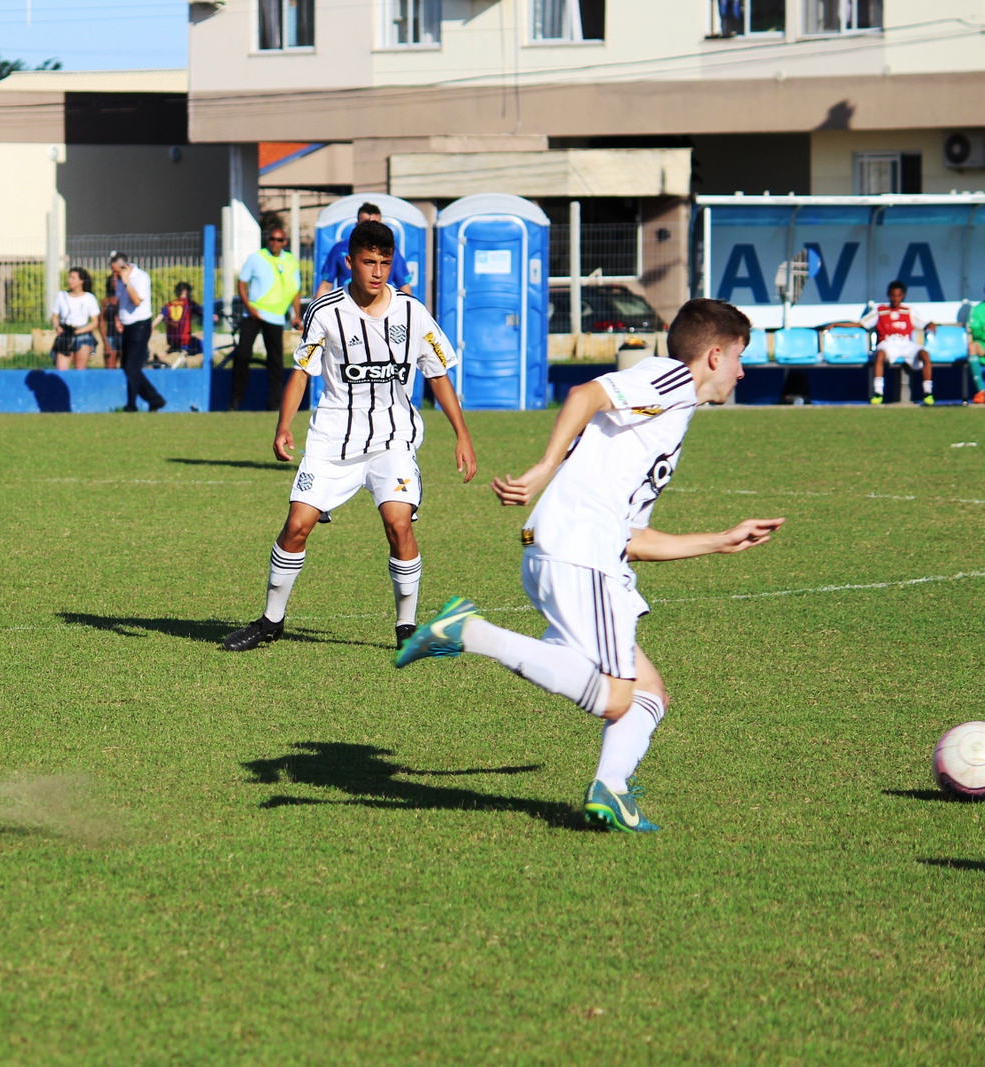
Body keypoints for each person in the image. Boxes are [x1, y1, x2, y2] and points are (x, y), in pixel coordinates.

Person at [396, 297, 785, 834]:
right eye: (740, 357)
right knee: (616, 697)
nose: (743, 372)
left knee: (647, 693)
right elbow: (586, 393)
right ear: (715, 356)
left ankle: (611, 790)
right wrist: (541, 469)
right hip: (580, 549)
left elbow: (633, 537)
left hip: (584, 549)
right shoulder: (670, 381)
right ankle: (469, 632)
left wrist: (719, 541)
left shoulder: (667, 418)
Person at [222, 220, 476, 653]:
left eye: (385, 263)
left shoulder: (413, 313)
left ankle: (406, 628)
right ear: (350, 263)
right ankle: (271, 620)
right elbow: (302, 373)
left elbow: (438, 376)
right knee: (297, 527)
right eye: (368, 262)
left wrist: (462, 435)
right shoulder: (326, 311)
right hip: (332, 439)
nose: (378, 272)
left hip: (392, 439)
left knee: (398, 524)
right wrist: (284, 426)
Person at [822, 280, 932, 406]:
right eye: (893, 295)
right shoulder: (880, 311)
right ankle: (878, 393)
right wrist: (836, 324)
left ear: (903, 296)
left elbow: (924, 323)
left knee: (924, 354)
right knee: (879, 355)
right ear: (889, 295)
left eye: (898, 296)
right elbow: (860, 324)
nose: (895, 299)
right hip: (888, 343)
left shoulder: (909, 311)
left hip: (905, 343)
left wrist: (930, 324)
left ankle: (928, 393)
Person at [230, 225, 301, 411]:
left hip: (276, 317)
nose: (275, 243)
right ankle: (235, 401)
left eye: (279, 240)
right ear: (267, 241)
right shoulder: (256, 258)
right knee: (243, 354)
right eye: (272, 239)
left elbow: (295, 290)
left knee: (275, 361)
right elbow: (242, 283)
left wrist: (296, 315)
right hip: (253, 314)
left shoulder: (291, 261)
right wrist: (249, 307)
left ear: (284, 242)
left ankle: (275, 404)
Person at [315, 203, 412, 299]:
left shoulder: (392, 252)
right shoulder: (339, 249)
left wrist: (408, 309)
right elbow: (325, 286)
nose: (377, 273)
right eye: (366, 224)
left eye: (375, 224)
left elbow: (404, 285)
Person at [110, 252, 165, 412]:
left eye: (116, 271)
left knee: (132, 367)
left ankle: (131, 405)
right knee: (127, 367)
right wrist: (117, 319)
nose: (114, 275)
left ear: (125, 267)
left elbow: (136, 301)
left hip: (140, 326)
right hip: (127, 326)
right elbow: (120, 302)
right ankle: (155, 399)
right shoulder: (120, 280)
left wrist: (127, 282)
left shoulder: (140, 278)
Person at [50, 267, 100, 371]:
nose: (69, 280)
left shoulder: (89, 298)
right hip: (65, 333)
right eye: (69, 277)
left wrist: (80, 331)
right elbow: (55, 316)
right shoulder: (61, 296)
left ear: (81, 281)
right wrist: (57, 327)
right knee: (61, 370)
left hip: (83, 335)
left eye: (73, 278)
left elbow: (95, 322)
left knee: (80, 369)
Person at [157, 281, 203, 358]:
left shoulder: (170, 304)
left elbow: (159, 318)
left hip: (173, 340)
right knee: (205, 346)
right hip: (185, 340)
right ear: (185, 291)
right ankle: (207, 368)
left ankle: (160, 357)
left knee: (173, 348)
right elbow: (203, 313)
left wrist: (151, 326)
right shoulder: (189, 303)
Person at [964, 288, 985, 406]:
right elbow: (974, 330)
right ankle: (981, 391)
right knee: (972, 347)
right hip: (982, 344)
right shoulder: (977, 310)